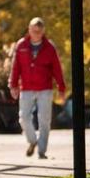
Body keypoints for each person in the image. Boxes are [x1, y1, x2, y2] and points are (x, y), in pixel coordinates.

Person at [9, 17, 66, 159]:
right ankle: (33, 141)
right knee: (23, 117)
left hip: (44, 88)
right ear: (29, 30)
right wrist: (13, 84)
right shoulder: (21, 45)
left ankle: (42, 150)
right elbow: (16, 67)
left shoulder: (49, 47)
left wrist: (61, 88)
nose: (36, 34)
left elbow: (57, 69)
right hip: (26, 87)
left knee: (44, 120)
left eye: (39, 32)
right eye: (34, 31)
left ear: (43, 31)